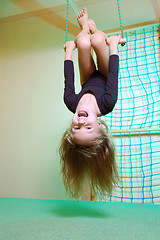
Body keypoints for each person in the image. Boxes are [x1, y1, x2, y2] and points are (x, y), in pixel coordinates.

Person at [59, 8, 120, 200]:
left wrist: (69, 50)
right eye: (88, 127)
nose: (81, 121)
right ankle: (94, 29)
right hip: (104, 72)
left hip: (88, 79)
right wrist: (114, 46)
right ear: (99, 125)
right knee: (96, 40)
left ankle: (85, 27)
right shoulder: (107, 103)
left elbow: (69, 77)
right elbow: (112, 75)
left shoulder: (71, 102)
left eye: (77, 127)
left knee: (83, 42)